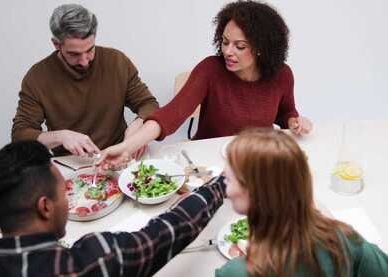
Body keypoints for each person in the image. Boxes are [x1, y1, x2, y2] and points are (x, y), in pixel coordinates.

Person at [0, 141, 226, 277]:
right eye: (63, 192)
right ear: (45, 207)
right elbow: (171, 229)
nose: (68, 199)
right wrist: (221, 184)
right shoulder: (98, 260)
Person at [99, 1, 312, 165]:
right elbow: (170, 114)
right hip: (209, 160)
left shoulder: (282, 75)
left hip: (255, 159)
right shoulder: (210, 70)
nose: (228, 51)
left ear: (261, 48)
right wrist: (127, 147)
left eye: (239, 46)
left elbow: (286, 114)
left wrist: (295, 121)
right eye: (225, 42)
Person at [207, 129, 388, 277]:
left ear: (255, 193)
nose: (226, 189)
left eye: (228, 180)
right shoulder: (343, 240)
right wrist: (337, 228)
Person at [11, 4, 158, 158]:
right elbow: (20, 134)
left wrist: (139, 126)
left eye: (90, 50)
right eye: (74, 54)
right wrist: (61, 136)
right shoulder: (37, 77)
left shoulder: (117, 61)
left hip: (119, 155)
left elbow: (149, 104)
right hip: (70, 163)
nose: (84, 61)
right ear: (56, 44)